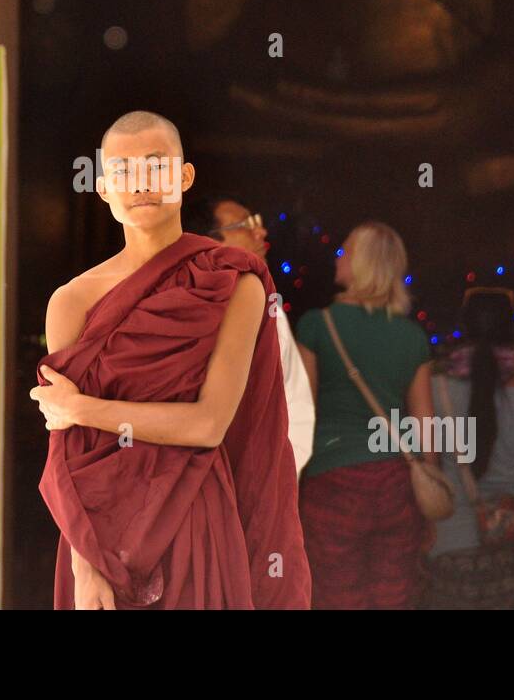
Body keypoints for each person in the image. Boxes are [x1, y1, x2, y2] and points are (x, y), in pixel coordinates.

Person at [29, 111, 310, 609]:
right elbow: (68, 455)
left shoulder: (231, 282)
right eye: (123, 171)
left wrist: (84, 409)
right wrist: (84, 568)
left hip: (195, 516)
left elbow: (207, 424)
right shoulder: (71, 301)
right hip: (97, 534)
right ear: (102, 188)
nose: (141, 185)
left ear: (183, 177)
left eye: (156, 167)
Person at [294, 222, 434, 609]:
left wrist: (289, 485)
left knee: (337, 595)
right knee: (392, 595)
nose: (337, 257)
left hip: (332, 479)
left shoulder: (316, 325)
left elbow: (303, 413)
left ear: (365, 264)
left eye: (346, 251)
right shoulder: (413, 337)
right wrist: (428, 490)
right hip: (396, 481)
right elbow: (425, 423)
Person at [423, 289, 514, 609]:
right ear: (511, 330)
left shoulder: (434, 387)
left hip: (449, 548)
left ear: (464, 327)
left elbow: (424, 466)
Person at [182, 195, 315, 477]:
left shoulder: (270, 309)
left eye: (258, 221)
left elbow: (295, 403)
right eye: (246, 224)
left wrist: (275, 477)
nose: (261, 231)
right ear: (210, 241)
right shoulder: (174, 307)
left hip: (256, 486)